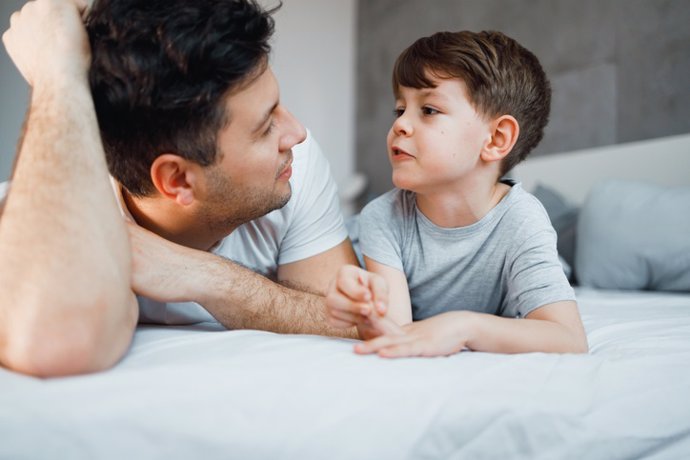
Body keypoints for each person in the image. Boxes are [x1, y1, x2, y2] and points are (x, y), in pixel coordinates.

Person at [0, 0, 358, 378]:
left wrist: (202, 276)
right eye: (265, 126)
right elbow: (54, 344)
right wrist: (57, 74)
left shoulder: (290, 163)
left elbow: (356, 322)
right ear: (178, 180)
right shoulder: (48, 215)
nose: (297, 134)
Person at [326, 30, 588, 357]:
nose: (400, 125)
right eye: (399, 110)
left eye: (429, 110)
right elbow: (397, 334)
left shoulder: (522, 220)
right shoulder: (382, 217)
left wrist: (464, 327)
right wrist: (366, 314)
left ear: (495, 139)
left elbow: (570, 340)